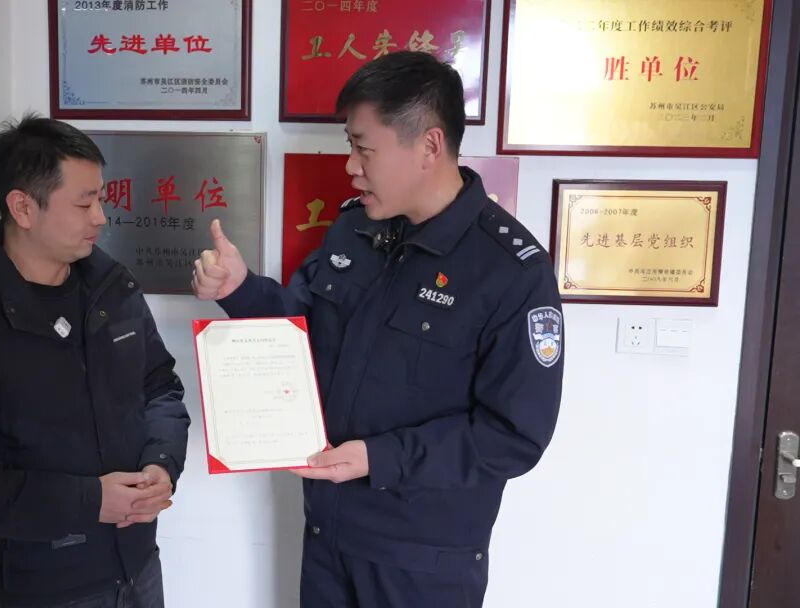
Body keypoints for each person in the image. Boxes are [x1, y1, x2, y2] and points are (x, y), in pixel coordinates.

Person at [192, 51, 564, 607]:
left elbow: (514, 436)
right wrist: (240, 288)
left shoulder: (509, 270)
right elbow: (299, 331)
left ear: (430, 146)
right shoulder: (355, 230)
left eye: (364, 149)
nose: (350, 166)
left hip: (422, 563)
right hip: (327, 537)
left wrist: (381, 457)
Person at [0, 113, 189, 608]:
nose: (101, 217)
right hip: (39, 586)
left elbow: (160, 387)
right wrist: (90, 502)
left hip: (137, 567)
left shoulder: (112, 291)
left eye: (101, 198)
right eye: (83, 203)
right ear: (23, 207)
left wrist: (161, 463)